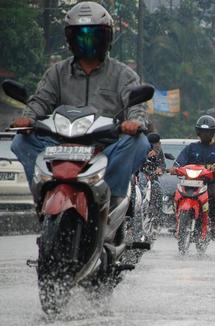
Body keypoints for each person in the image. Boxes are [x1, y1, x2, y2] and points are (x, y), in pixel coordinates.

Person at [11, 1, 149, 207]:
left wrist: (134, 122)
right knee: (20, 142)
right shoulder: (56, 72)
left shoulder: (123, 74)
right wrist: (28, 117)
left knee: (140, 143)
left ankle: (111, 196)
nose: (87, 41)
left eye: (94, 36)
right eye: (81, 35)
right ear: (70, 39)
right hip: (59, 145)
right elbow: (40, 100)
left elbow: (136, 106)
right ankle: (42, 191)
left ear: (106, 38)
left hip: (104, 146)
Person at [171, 115, 215, 239]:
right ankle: (177, 220)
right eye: (202, 132)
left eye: (208, 132)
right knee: (176, 195)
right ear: (198, 132)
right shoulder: (191, 147)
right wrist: (174, 167)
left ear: (213, 132)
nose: (205, 135)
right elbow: (180, 160)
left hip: (209, 182)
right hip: (190, 181)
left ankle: (214, 224)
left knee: (214, 195)